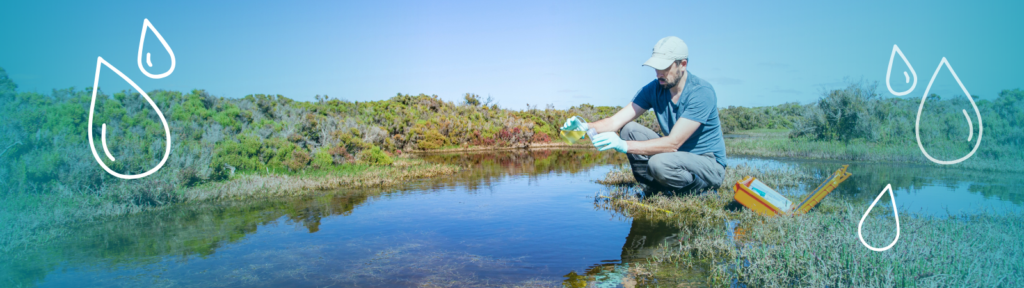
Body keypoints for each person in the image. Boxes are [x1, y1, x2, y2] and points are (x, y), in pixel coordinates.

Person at [561, 36, 727, 195]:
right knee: (629, 129)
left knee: (658, 163)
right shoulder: (655, 88)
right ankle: (653, 187)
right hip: (675, 158)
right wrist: (585, 127)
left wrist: (623, 145)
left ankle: (698, 191)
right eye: (656, 67)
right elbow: (615, 122)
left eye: (665, 67)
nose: (658, 74)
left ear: (682, 65)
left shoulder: (701, 92)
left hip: (707, 163)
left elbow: (673, 143)